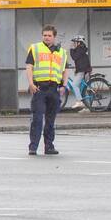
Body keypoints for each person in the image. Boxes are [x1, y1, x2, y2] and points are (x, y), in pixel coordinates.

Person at [25, 25, 65, 155]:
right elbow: (29, 66)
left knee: (50, 120)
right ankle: (33, 147)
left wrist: (63, 85)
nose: (46, 37)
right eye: (44, 35)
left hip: (54, 89)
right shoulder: (35, 48)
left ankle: (49, 146)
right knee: (37, 119)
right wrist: (31, 83)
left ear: (54, 37)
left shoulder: (62, 52)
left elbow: (65, 70)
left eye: (49, 35)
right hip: (39, 89)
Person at [68, 34, 91, 111]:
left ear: (79, 42)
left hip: (83, 71)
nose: (74, 44)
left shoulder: (80, 49)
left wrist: (71, 49)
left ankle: (79, 101)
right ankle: (88, 107)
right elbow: (79, 60)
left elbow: (74, 57)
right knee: (83, 89)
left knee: (74, 85)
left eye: (75, 42)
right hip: (84, 70)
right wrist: (76, 70)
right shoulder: (81, 49)